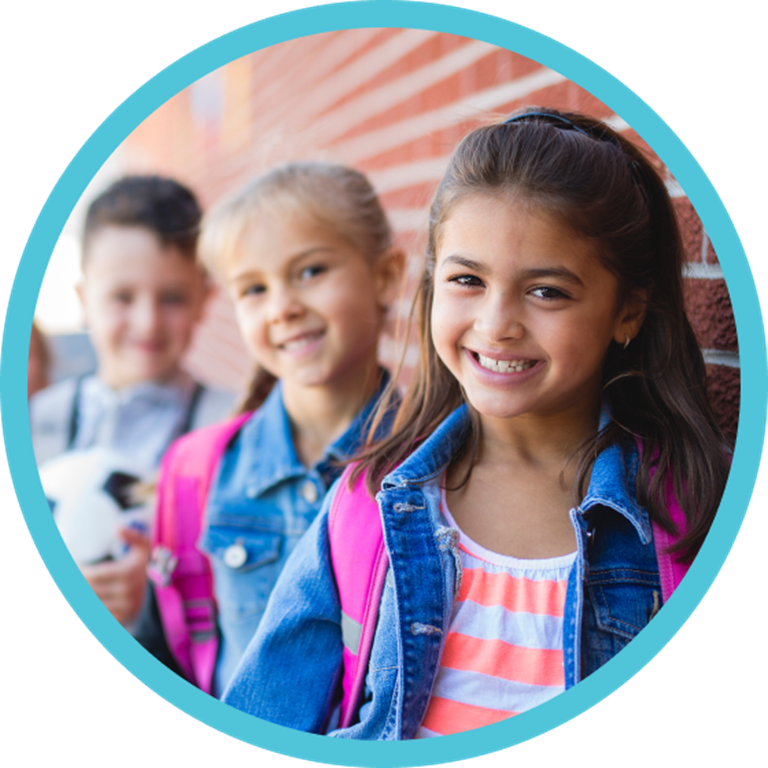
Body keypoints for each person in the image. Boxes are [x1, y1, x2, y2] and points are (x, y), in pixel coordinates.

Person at [221, 109, 732, 739]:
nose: (496, 324)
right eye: (467, 279)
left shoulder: (699, 517)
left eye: (546, 291)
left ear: (627, 311)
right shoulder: (367, 503)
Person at [140, 162, 405, 696]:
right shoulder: (197, 472)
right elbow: (163, 652)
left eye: (310, 272)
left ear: (385, 275)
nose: (282, 307)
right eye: (254, 289)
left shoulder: (441, 467)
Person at [30, 175, 235, 627]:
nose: (147, 322)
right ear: (84, 299)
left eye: (173, 298)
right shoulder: (36, 420)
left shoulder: (229, 427)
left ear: (205, 299)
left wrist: (155, 598)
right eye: (123, 297)